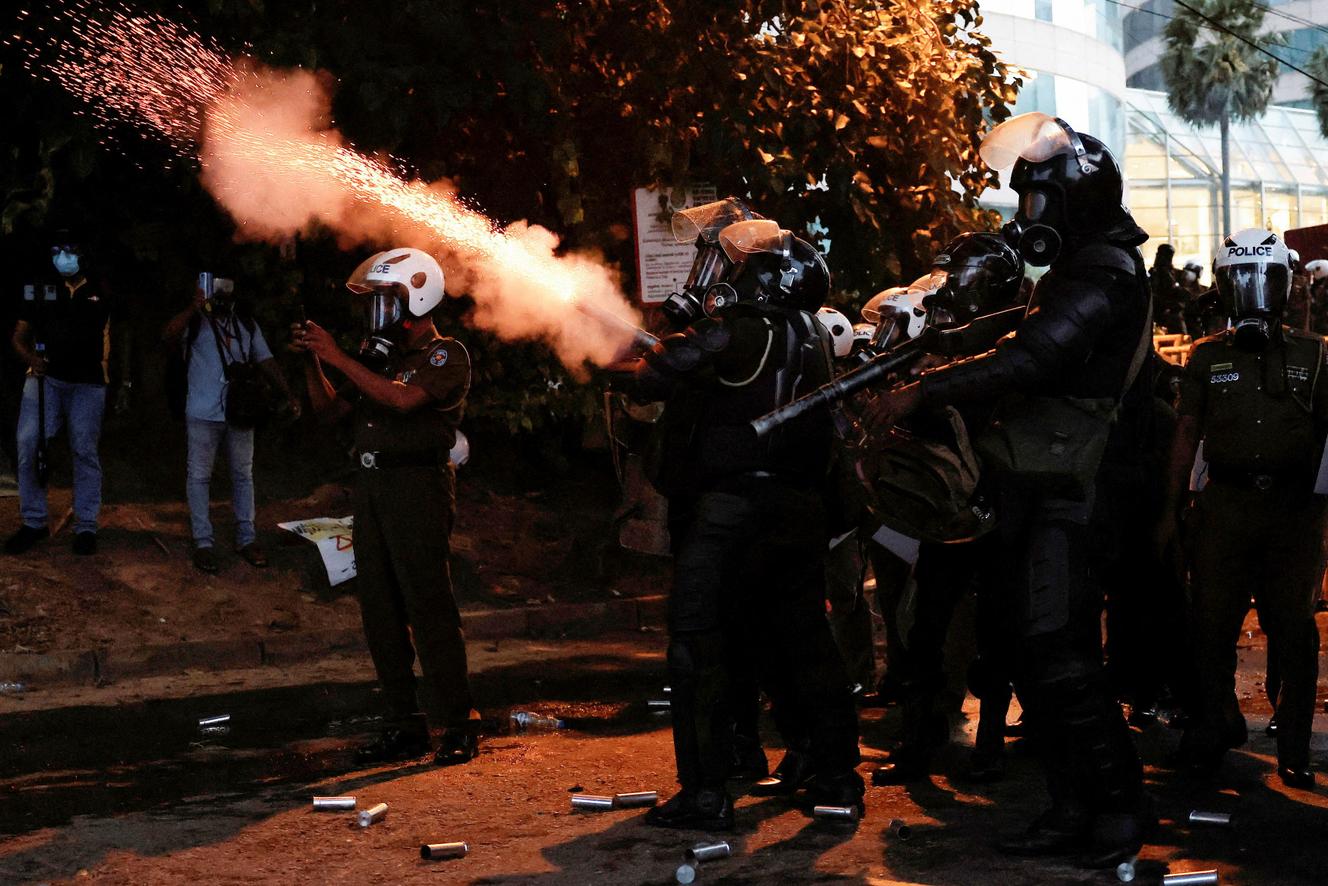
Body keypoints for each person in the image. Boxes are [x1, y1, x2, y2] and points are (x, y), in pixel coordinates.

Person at [864, 113, 1153, 866]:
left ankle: (1117, 812)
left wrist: (923, 391)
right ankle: (1068, 808)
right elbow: (1018, 339)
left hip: (1070, 491)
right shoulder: (1081, 269)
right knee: (1032, 653)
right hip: (1038, 483)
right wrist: (945, 352)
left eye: (1039, 203)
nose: (1030, 219)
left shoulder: (1105, 270)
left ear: (1077, 202)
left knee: (1061, 655)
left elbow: (1034, 358)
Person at [618, 212, 863, 829]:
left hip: (731, 512)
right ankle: (836, 776)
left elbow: (646, 380)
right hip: (797, 512)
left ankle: (705, 791)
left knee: (698, 643)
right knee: (806, 644)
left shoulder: (737, 329)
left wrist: (660, 334)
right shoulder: (809, 334)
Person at [292, 247, 479, 766]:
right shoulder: (378, 359)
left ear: (417, 298)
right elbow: (330, 412)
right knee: (380, 612)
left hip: (417, 487)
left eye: (384, 302)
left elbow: (402, 401)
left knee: (429, 606)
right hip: (372, 487)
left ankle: (460, 724)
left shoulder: (446, 355)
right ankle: (404, 726)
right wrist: (314, 360)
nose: (375, 314)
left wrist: (340, 359)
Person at [1157, 229, 1327, 791]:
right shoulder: (1207, 357)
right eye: (1240, 280)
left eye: (1265, 279)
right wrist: (1172, 507)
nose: (1254, 292)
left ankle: (1295, 749)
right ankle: (1214, 728)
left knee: (1295, 632)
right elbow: (1186, 433)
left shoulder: (1317, 355)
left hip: (1293, 513)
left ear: (1285, 284)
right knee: (1210, 627)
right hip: (1224, 508)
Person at [161, 275, 300, 573]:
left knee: (243, 475)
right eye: (217, 290)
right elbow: (168, 336)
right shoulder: (196, 322)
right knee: (199, 476)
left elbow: (265, 360)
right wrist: (192, 308)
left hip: (241, 411)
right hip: (201, 410)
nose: (222, 296)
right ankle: (203, 542)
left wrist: (288, 393)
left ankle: (246, 538)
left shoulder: (246, 324)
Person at [6, 230, 117, 556]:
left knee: (84, 450)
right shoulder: (42, 288)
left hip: (89, 384)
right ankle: (34, 522)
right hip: (45, 380)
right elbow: (18, 336)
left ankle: (85, 526)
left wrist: (122, 383)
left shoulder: (101, 290)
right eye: (56, 251)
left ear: (83, 254)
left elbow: (117, 336)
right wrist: (31, 359)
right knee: (28, 443)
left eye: (68, 251)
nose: (62, 258)